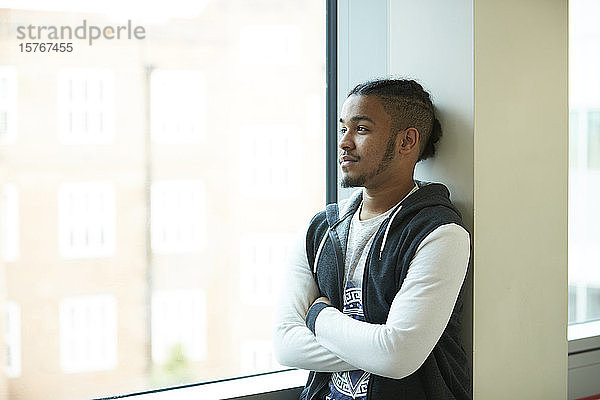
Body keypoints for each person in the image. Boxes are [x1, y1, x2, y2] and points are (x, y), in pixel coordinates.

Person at [272, 78, 471, 400]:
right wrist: (378, 347)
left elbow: (397, 357)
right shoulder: (321, 231)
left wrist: (317, 316)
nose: (344, 143)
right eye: (343, 129)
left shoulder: (440, 234)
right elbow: (285, 345)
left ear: (406, 141)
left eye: (361, 129)